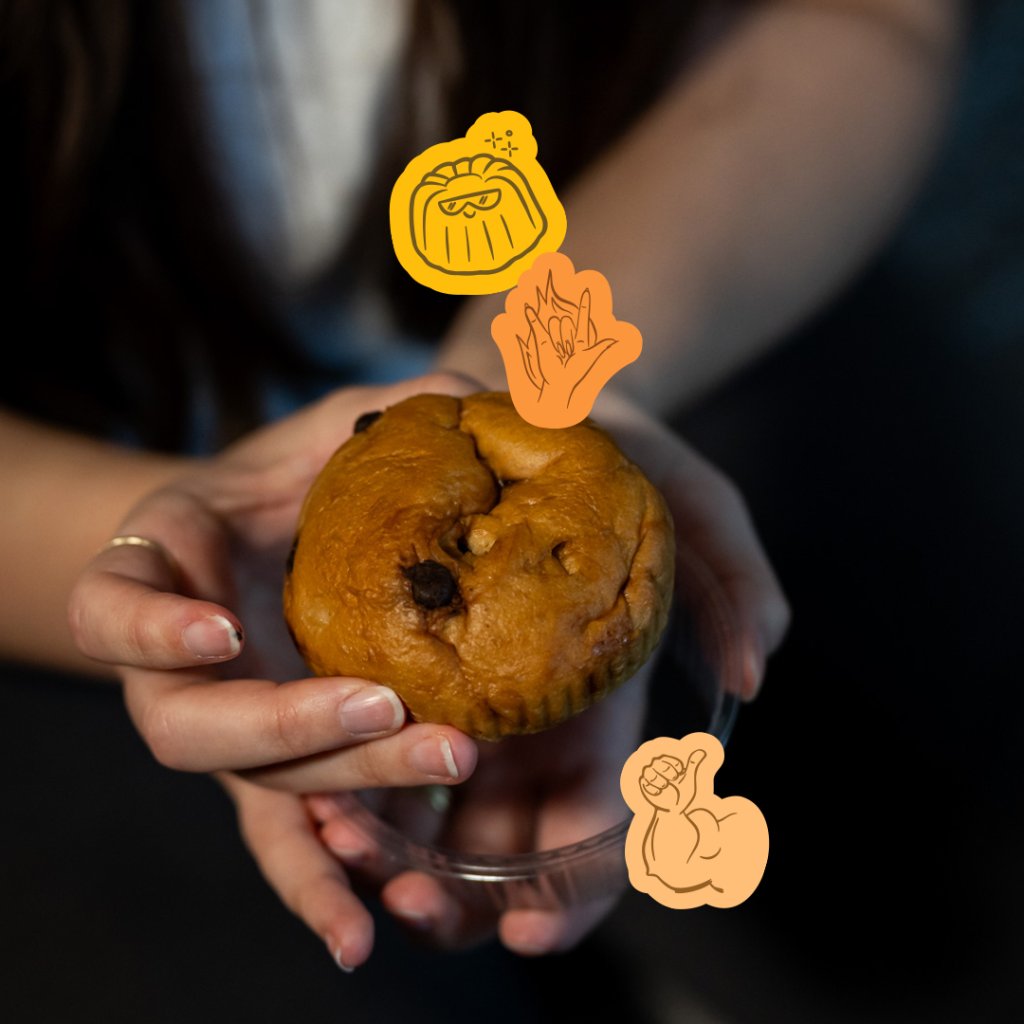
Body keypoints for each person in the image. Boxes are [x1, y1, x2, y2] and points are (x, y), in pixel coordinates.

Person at [0, 0, 962, 984]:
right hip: (71, 484)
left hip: (657, 267)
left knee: (916, 852)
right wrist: (157, 578)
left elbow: (875, 15)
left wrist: (562, 374)